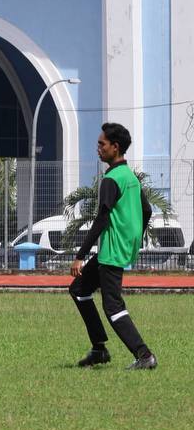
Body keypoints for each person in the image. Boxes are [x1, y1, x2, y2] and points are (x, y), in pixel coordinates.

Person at [68, 123, 158, 370]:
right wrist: (134, 237)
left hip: (111, 251)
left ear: (114, 147)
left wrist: (79, 256)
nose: (98, 148)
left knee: (113, 306)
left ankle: (144, 355)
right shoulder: (130, 177)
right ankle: (99, 350)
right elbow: (147, 210)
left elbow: (102, 219)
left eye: (102, 144)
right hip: (120, 248)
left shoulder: (111, 179)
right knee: (78, 289)